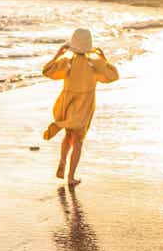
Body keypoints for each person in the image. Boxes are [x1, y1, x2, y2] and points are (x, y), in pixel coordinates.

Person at [42, 28, 118, 186]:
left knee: (68, 135)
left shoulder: (67, 61)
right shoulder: (95, 63)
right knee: (78, 140)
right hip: (84, 106)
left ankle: (62, 160)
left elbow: (47, 71)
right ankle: (71, 177)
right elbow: (113, 76)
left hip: (67, 103)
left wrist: (58, 54)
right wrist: (104, 59)